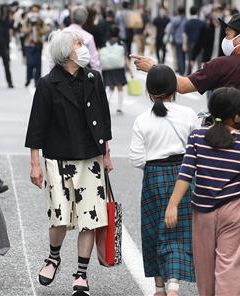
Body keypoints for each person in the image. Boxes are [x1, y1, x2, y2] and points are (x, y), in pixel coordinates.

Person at [133, 12, 240, 292]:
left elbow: (181, 85)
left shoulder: (220, 66)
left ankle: (213, 272)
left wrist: (154, 68)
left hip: (217, 154)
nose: (226, 39)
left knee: (212, 214)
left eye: (229, 35)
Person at [26, 29, 112, 296]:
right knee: (59, 217)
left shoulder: (93, 78)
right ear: (66, 51)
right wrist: (35, 164)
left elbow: (104, 117)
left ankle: (81, 274)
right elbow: (36, 127)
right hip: (57, 158)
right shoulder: (47, 84)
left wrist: (107, 154)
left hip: (91, 156)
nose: (83, 46)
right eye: (78, 43)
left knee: (90, 217)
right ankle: (53, 257)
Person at [166, 88, 240, 296]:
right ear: (237, 115)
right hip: (234, 210)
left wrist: (172, 204)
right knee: (230, 264)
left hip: (203, 211)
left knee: (204, 264)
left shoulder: (197, 137)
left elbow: (186, 174)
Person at [129, 65, 199, 296]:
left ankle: (159, 288)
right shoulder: (188, 114)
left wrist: (152, 167)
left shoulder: (142, 120)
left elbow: (136, 158)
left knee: (154, 232)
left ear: (149, 91)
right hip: (184, 176)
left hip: (154, 177)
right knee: (179, 231)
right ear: (174, 90)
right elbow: (197, 148)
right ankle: (174, 285)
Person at [99, 26, 129, 114]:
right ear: (118, 33)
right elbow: (125, 58)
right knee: (120, 87)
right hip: (119, 68)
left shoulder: (105, 43)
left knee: (110, 86)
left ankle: (106, 101)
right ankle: (119, 107)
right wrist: (130, 71)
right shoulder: (121, 44)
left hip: (107, 67)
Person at [66, 6, 102, 72]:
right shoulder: (88, 37)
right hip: (82, 74)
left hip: (63, 74)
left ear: (71, 18)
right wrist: (98, 77)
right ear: (85, 20)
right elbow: (94, 61)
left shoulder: (61, 34)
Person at [21, 7, 46, 87]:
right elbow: (23, 29)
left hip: (38, 43)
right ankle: (28, 79)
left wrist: (39, 28)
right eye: (33, 10)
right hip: (29, 43)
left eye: (36, 11)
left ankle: (37, 80)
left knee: (38, 63)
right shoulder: (27, 19)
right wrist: (30, 29)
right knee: (30, 63)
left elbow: (46, 29)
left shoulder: (40, 20)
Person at [181, 7, 204, 74]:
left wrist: (184, 44)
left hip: (190, 43)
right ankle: (200, 74)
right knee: (199, 61)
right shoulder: (201, 23)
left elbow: (185, 35)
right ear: (197, 12)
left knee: (190, 59)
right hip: (200, 43)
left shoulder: (187, 23)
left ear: (190, 12)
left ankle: (189, 75)